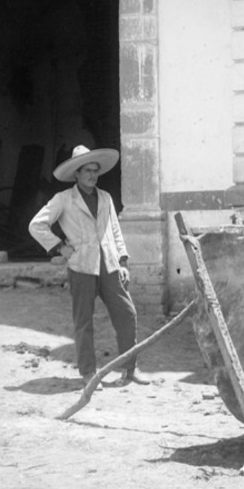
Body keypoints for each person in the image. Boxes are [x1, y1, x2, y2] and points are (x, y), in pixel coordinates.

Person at [29, 145, 149, 388]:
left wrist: (123, 261)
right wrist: (60, 247)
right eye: (87, 171)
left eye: (96, 170)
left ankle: (130, 368)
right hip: (82, 266)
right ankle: (88, 373)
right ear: (76, 173)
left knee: (127, 314)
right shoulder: (64, 199)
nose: (93, 175)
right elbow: (36, 225)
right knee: (84, 321)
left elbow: (115, 231)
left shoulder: (105, 198)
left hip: (109, 265)